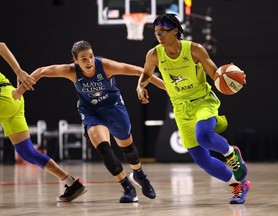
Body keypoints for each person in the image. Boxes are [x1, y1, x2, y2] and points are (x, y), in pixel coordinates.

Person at [13, 40, 166, 203]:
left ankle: (140, 175)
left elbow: (139, 71)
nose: (89, 62)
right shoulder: (71, 71)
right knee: (104, 149)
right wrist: (20, 90)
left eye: (91, 57)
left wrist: (166, 89)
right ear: (75, 60)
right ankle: (128, 187)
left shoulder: (105, 66)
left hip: (113, 107)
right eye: (84, 59)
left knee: (127, 148)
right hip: (91, 112)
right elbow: (41, 71)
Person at [136, 14, 252, 204]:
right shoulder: (154, 54)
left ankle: (231, 153)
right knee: (202, 161)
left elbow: (216, 74)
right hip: (181, 108)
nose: (159, 35)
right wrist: (140, 85)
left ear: (175, 30)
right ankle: (239, 185)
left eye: (163, 31)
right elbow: (147, 74)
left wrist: (234, 77)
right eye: (157, 32)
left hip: (202, 101)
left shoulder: (195, 50)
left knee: (204, 136)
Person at [0, 42, 87, 202]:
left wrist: (19, 71)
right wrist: (18, 71)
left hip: (3, 100)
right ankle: (71, 182)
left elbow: (1, 45)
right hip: (14, 97)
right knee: (27, 153)